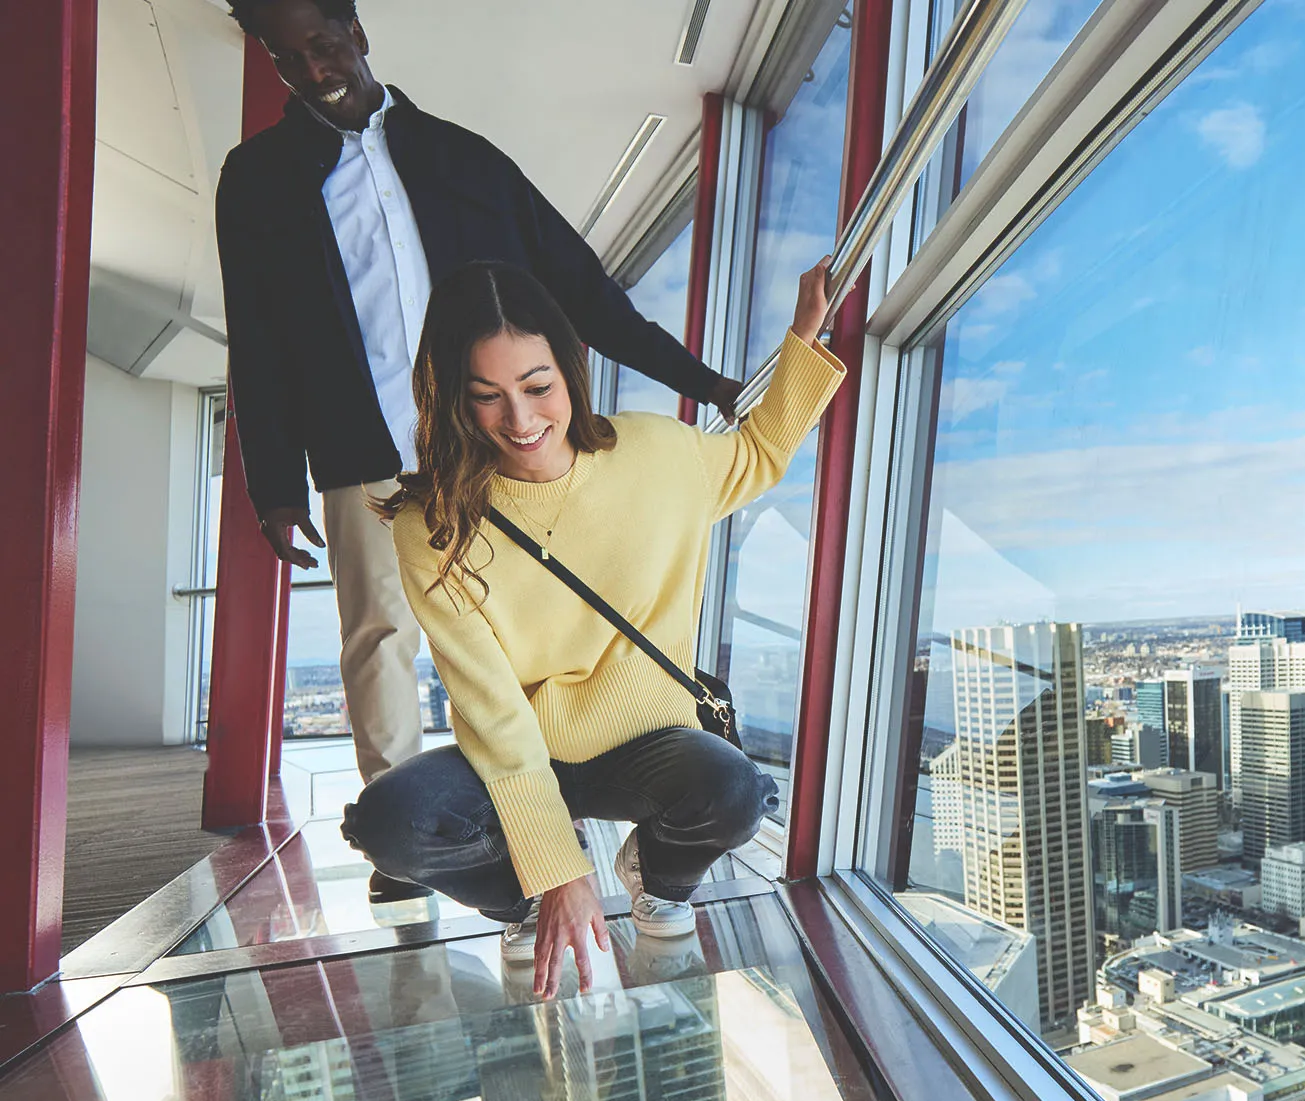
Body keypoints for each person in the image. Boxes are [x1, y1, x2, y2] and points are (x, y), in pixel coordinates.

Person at [216, 0, 744, 900]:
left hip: (492, 443)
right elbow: (256, 337)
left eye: (324, 42)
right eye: (284, 56)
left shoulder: (462, 155)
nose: (312, 68)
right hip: (362, 443)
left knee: (521, 631)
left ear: (358, 29)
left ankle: (557, 801)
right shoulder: (257, 179)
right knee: (378, 634)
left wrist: (702, 381)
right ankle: (408, 836)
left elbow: (583, 289)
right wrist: (271, 478)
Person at [340, 258, 840, 998]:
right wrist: (557, 874)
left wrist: (804, 335)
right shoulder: (435, 524)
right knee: (390, 824)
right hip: (517, 749)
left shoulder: (659, 456)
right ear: (453, 400)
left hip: (650, 747)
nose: (521, 420)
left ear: (571, 372)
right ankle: (518, 897)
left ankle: (656, 875)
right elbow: (493, 712)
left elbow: (760, 453)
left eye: (538, 387)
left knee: (736, 791)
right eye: (488, 397)